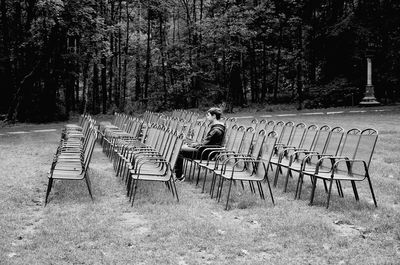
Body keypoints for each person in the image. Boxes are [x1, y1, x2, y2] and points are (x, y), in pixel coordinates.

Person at [175, 107, 226, 181]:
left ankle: (179, 176)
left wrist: (194, 145)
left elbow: (205, 144)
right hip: (205, 151)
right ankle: (176, 173)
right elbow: (206, 143)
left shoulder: (216, 130)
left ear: (214, 116)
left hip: (205, 154)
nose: (206, 117)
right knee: (181, 147)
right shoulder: (217, 128)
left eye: (208, 115)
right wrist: (194, 145)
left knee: (180, 151)